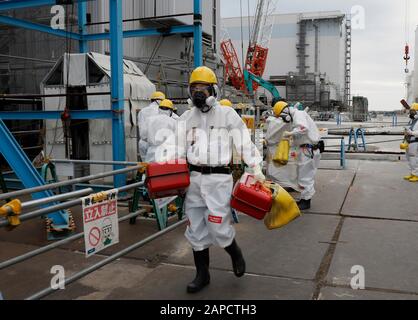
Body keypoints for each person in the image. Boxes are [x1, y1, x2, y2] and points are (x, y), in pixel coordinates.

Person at [178, 66, 264, 293]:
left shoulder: (227, 115)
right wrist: (172, 175)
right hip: (194, 179)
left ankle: (234, 252)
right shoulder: (186, 118)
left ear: (213, 90)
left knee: (218, 225)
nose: (198, 92)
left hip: (219, 179)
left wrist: (256, 167)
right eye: (194, 88)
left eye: (202, 88)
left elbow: (244, 143)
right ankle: (202, 274)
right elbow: (176, 149)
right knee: (196, 228)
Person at [266, 101, 321, 210]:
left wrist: (290, 133)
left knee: (305, 176)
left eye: (282, 116)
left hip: (307, 149)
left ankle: (306, 201)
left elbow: (303, 128)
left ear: (286, 111)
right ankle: (304, 198)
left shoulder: (298, 114)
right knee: (302, 174)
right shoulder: (295, 115)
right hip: (306, 149)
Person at [137, 91, 166, 160]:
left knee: (145, 166)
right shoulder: (161, 111)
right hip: (155, 144)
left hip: (143, 143)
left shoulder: (142, 111)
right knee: (155, 167)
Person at [404, 103, 418, 182]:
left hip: (415, 142)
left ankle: (416, 174)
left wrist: (411, 133)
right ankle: (412, 173)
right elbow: (408, 129)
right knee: (409, 158)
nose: (412, 113)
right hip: (409, 141)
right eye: (411, 111)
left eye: (414, 111)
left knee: (414, 158)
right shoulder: (411, 121)